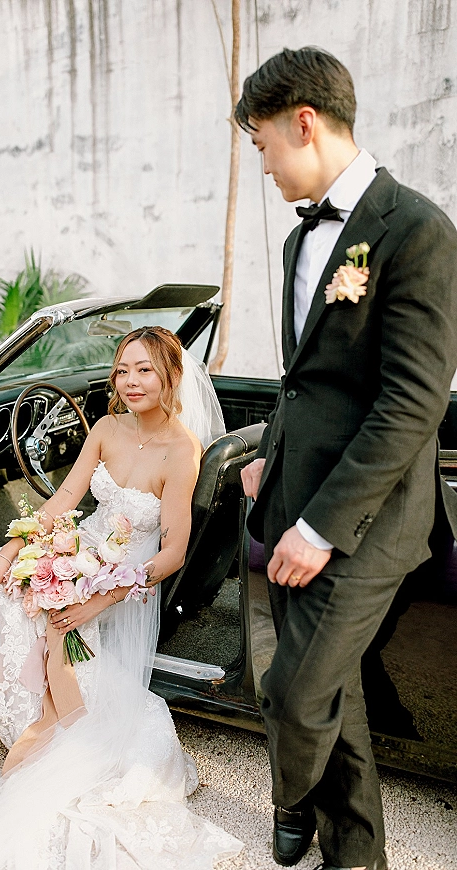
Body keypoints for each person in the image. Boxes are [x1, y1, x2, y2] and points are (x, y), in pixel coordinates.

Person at [0, 326, 241, 870]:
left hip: (122, 582)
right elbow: (66, 499)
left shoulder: (182, 451)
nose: (130, 381)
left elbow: (172, 554)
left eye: (144, 370)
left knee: (24, 621)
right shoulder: (106, 428)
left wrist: (98, 597)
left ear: (171, 377)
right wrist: (7, 553)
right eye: (122, 370)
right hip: (79, 548)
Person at [237, 47, 457, 870]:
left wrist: (322, 528)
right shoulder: (302, 248)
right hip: (291, 486)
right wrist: (270, 450)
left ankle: (290, 795)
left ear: (305, 122)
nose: (260, 164)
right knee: (336, 692)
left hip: (368, 518)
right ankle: (355, 857)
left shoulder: (420, 232)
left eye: (262, 144)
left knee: (294, 692)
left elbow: (412, 403)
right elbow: (304, 383)